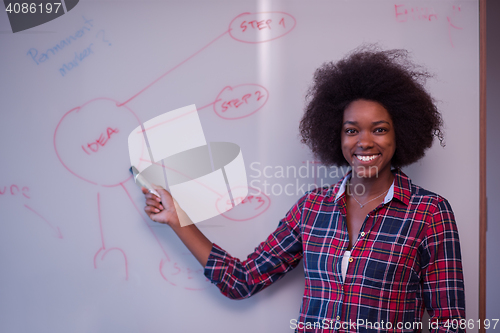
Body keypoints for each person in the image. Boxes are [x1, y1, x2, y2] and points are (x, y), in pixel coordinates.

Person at [142, 46, 465, 332]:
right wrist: (177, 218)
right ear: (337, 137)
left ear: (401, 134)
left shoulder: (429, 212)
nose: (364, 141)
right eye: (352, 130)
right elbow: (242, 281)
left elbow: (449, 321)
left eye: (379, 129)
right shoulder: (312, 208)